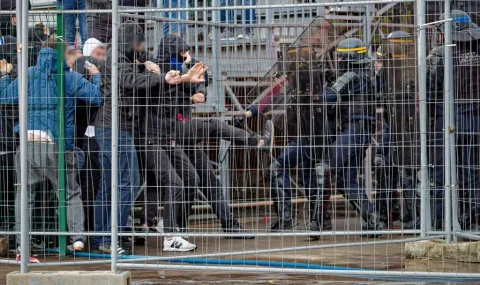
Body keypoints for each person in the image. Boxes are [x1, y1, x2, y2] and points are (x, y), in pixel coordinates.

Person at [92, 21, 206, 254]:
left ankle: (103, 238)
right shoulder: (118, 61)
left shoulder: (128, 59)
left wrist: (175, 76)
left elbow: (145, 80)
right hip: (116, 127)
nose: (140, 47)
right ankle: (111, 238)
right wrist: (162, 76)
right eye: (137, 42)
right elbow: (133, 81)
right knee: (128, 182)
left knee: (110, 184)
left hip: (120, 127)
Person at [0, 38, 103, 255]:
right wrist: (97, 76)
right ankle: (77, 239)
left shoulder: (27, 74)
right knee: (70, 193)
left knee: (24, 194)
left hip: (27, 143)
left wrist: (3, 75)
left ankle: (22, 243)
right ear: (63, 56)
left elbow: (5, 96)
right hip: (56, 146)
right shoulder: (69, 77)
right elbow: (96, 97)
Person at [318, 38, 385, 234]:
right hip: (360, 133)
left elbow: (329, 97)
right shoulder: (367, 75)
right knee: (346, 182)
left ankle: (315, 223)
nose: (338, 60)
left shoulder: (352, 76)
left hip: (354, 132)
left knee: (324, 166)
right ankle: (374, 221)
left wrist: (313, 91)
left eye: (340, 56)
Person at [426, 10, 480, 230]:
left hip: (445, 121)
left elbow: (429, 92)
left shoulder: (439, 55)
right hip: (475, 121)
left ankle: (439, 224)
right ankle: (470, 220)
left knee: (440, 174)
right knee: (472, 173)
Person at [373, 31, 421, 230]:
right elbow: (380, 97)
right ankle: (387, 213)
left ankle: (414, 217)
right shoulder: (388, 73)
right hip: (393, 126)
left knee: (405, 170)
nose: (377, 63)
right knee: (382, 162)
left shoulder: (407, 70)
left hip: (406, 127)